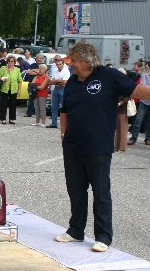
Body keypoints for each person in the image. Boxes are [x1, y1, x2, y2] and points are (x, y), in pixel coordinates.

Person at [54, 41, 150, 252]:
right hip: (72, 146)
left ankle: (103, 236)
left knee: (101, 193)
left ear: (87, 62)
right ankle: (75, 230)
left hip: (98, 147)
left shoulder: (109, 75)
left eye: (75, 62)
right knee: (76, 191)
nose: (72, 66)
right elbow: (65, 110)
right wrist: (64, 134)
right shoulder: (72, 81)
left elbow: (137, 90)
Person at [0, 55, 22, 124]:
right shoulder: (3, 68)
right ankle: (3, 119)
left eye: (12, 61)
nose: (10, 63)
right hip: (4, 88)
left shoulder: (17, 70)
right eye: (9, 61)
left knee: (12, 104)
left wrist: (19, 90)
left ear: (14, 62)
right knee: (3, 104)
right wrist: (2, 78)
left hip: (13, 89)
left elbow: (19, 81)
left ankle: (11, 119)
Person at [127, 67, 150, 146]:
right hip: (144, 101)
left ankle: (148, 138)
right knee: (138, 120)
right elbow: (143, 86)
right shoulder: (145, 75)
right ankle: (133, 138)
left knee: (149, 122)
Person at [47, 59, 70, 128]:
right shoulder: (55, 72)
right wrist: (58, 80)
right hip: (56, 88)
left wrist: (56, 81)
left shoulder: (66, 71)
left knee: (64, 107)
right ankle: (54, 123)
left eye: (60, 64)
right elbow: (50, 82)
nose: (59, 66)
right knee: (54, 107)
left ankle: (67, 124)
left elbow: (65, 82)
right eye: (57, 64)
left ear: (63, 64)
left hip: (63, 89)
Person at [114, 68, 131, 152]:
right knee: (117, 128)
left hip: (123, 108)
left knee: (123, 128)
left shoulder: (126, 84)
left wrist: (121, 103)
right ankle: (117, 146)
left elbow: (128, 96)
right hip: (116, 107)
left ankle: (122, 147)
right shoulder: (117, 83)